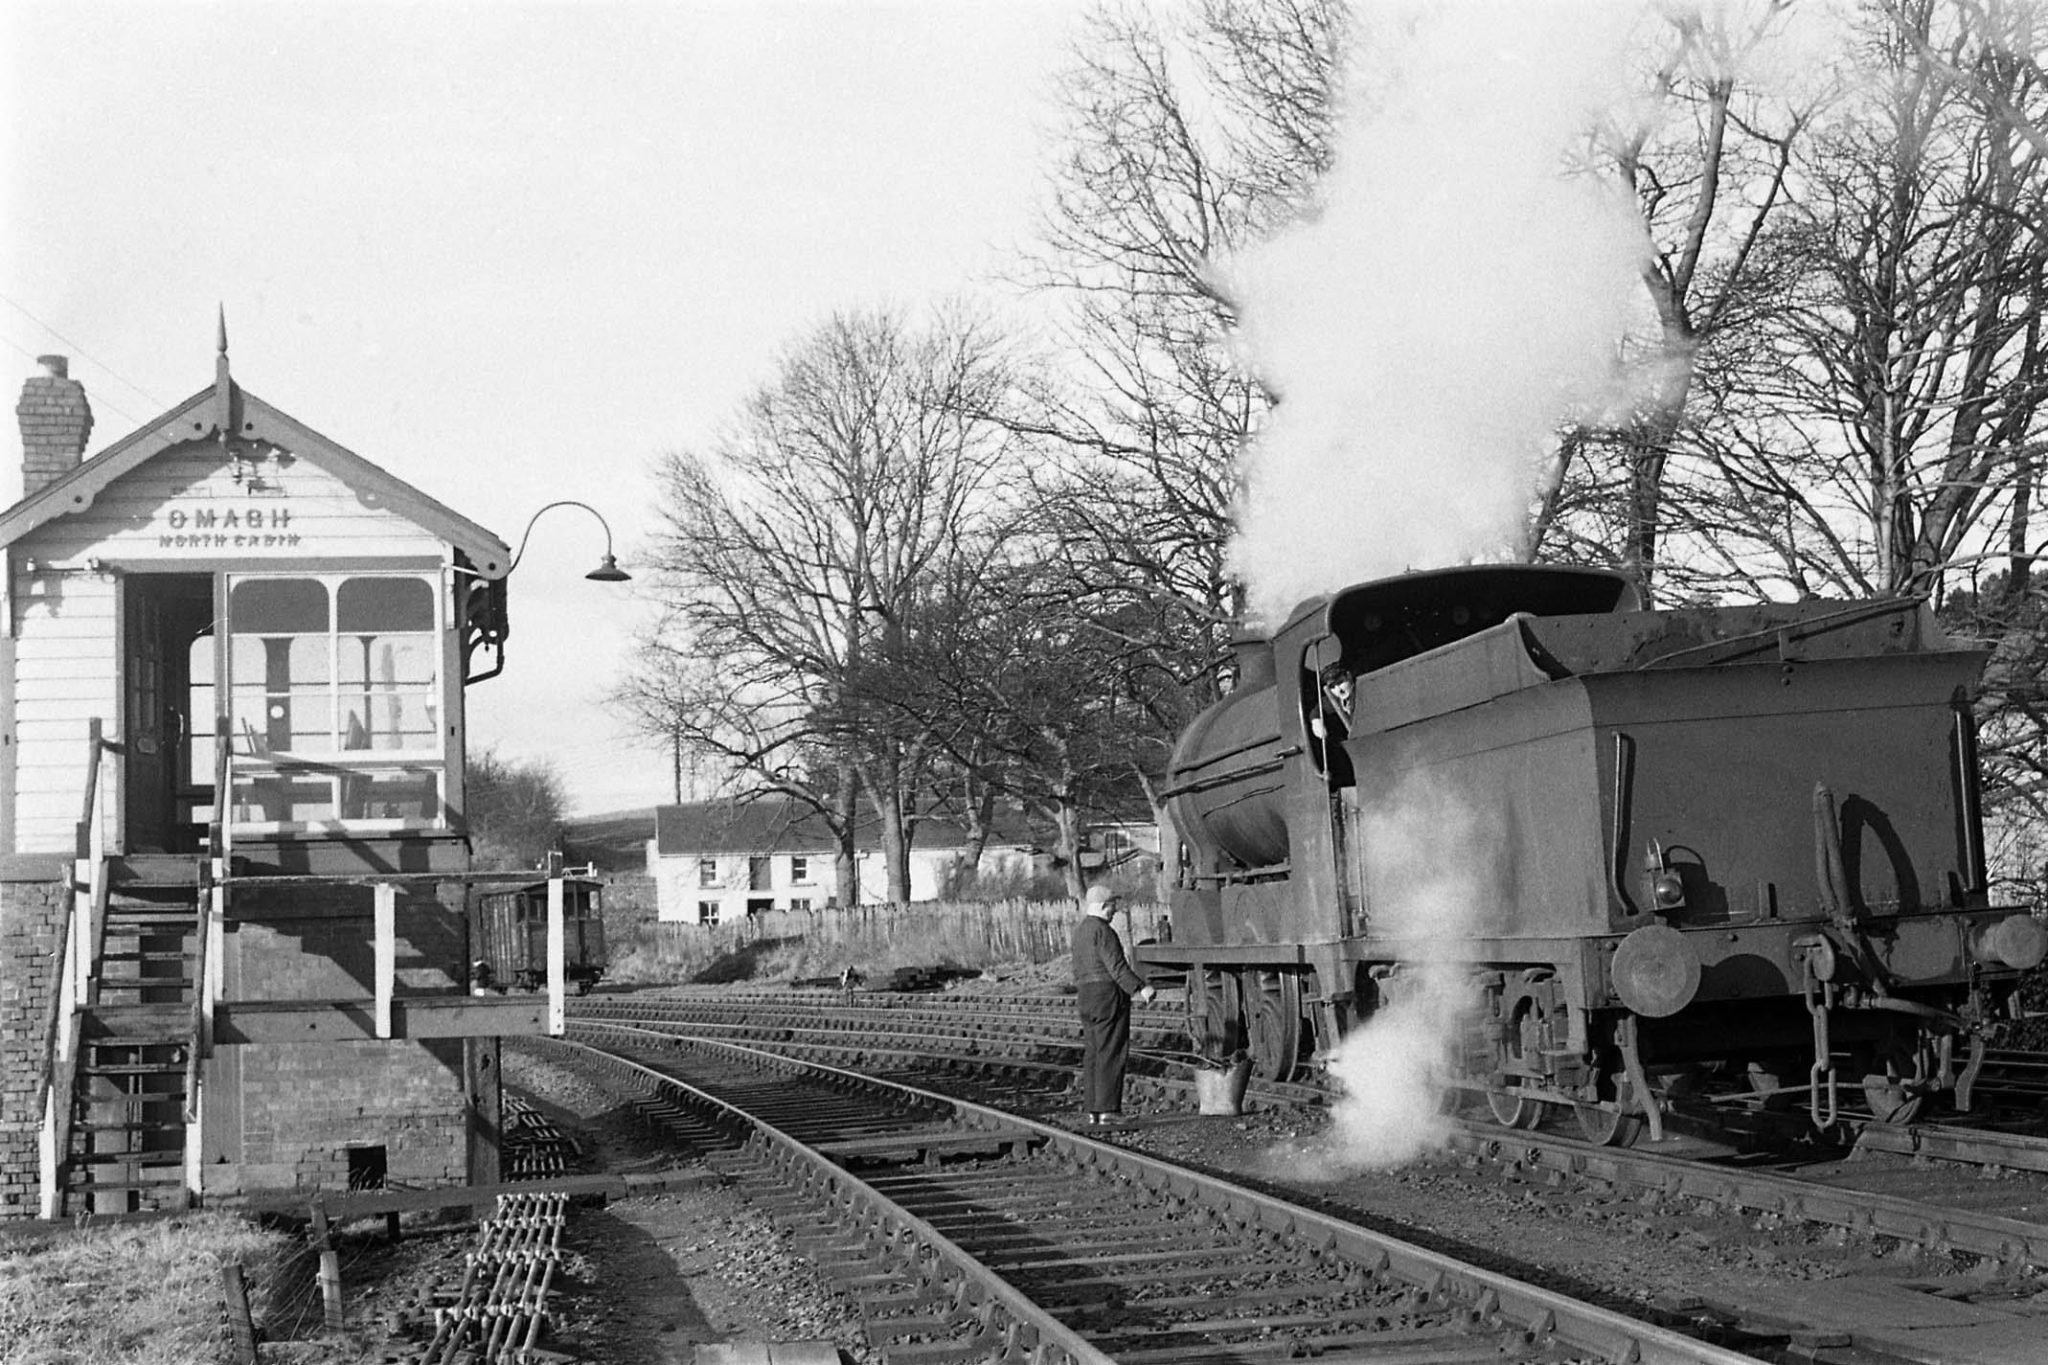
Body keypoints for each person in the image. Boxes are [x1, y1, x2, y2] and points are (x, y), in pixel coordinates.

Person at [1071, 884, 1156, 1126]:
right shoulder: (1103, 931)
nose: (1115, 910)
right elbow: (1116, 967)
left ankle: (1093, 1110)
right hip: (1108, 995)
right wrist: (1140, 988)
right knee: (1111, 1051)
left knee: (1093, 1053)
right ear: (1101, 906)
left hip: (1086, 995)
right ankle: (1109, 1110)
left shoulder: (1080, 932)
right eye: (1112, 906)